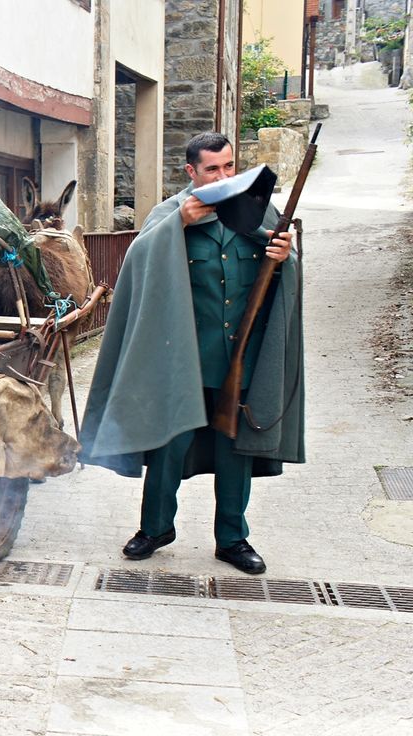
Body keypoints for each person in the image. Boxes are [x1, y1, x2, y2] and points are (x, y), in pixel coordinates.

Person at [79, 132, 305, 575]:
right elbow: (137, 264)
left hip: (239, 356)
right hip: (182, 356)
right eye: (212, 170)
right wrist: (176, 226)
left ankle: (233, 539)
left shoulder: (260, 211)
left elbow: (279, 275)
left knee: (234, 449)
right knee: (170, 444)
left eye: (228, 167)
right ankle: (156, 528)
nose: (223, 176)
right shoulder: (170, 214)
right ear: (190, 172)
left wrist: (285, 257)